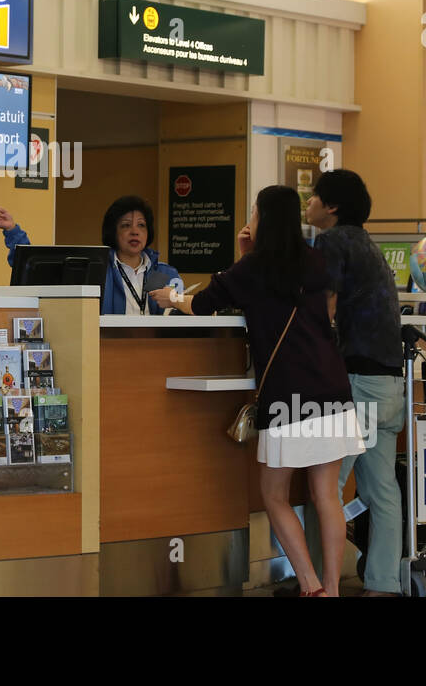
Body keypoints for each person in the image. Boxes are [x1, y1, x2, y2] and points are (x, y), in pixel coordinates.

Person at [151, 186, 365, 597]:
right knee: (326, 497)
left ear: (263, 218)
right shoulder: (315, 260)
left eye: (253, 212)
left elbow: (203, 304)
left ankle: (311, 587)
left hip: (288, 393)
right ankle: (333, 590)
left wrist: (173, 298)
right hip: (334, 389)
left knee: (274, 494)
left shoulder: (253, 269)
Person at [302, 169, 405, 596]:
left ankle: (316, 583)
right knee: (382, 488)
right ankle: (384, 581)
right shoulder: (369, 247)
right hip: (388, 384)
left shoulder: (333, 241)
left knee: (324, 487)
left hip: (356, 381)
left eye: (313, 197)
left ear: (331, 207)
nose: (308, 203)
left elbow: (322, 305)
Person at [0, 196, 179, 315]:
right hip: (106, 349)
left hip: (152, 352)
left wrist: (176, 300)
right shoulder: (97, 268)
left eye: (141, 225)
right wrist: (13, 231)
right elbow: (37, 270)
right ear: (113, 232)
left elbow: (177, 315)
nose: (135, 232)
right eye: (126, 225)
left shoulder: (160, 273)